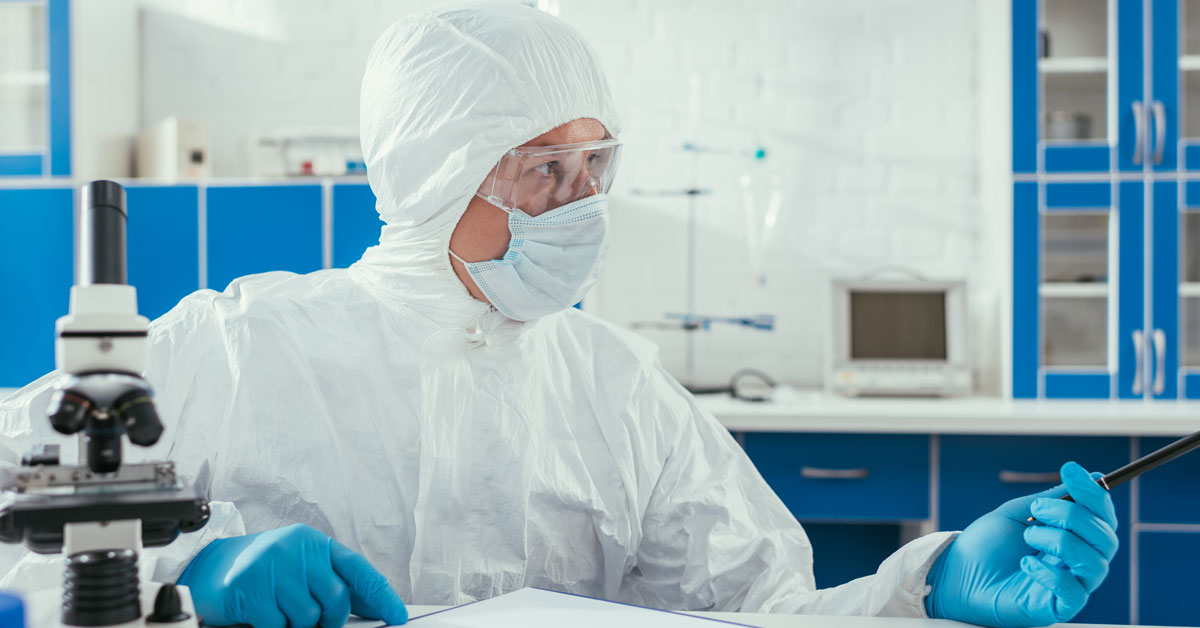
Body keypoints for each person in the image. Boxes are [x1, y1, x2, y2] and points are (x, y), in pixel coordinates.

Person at [0, 3, 1118, 628]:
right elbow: (15, 490)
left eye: (597, 163)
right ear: (441, 174)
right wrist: (181, 571)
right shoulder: (238, 346)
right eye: (545, 169)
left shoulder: (613, 388)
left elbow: (766, 614)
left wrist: (926, 591)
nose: (585, 203)